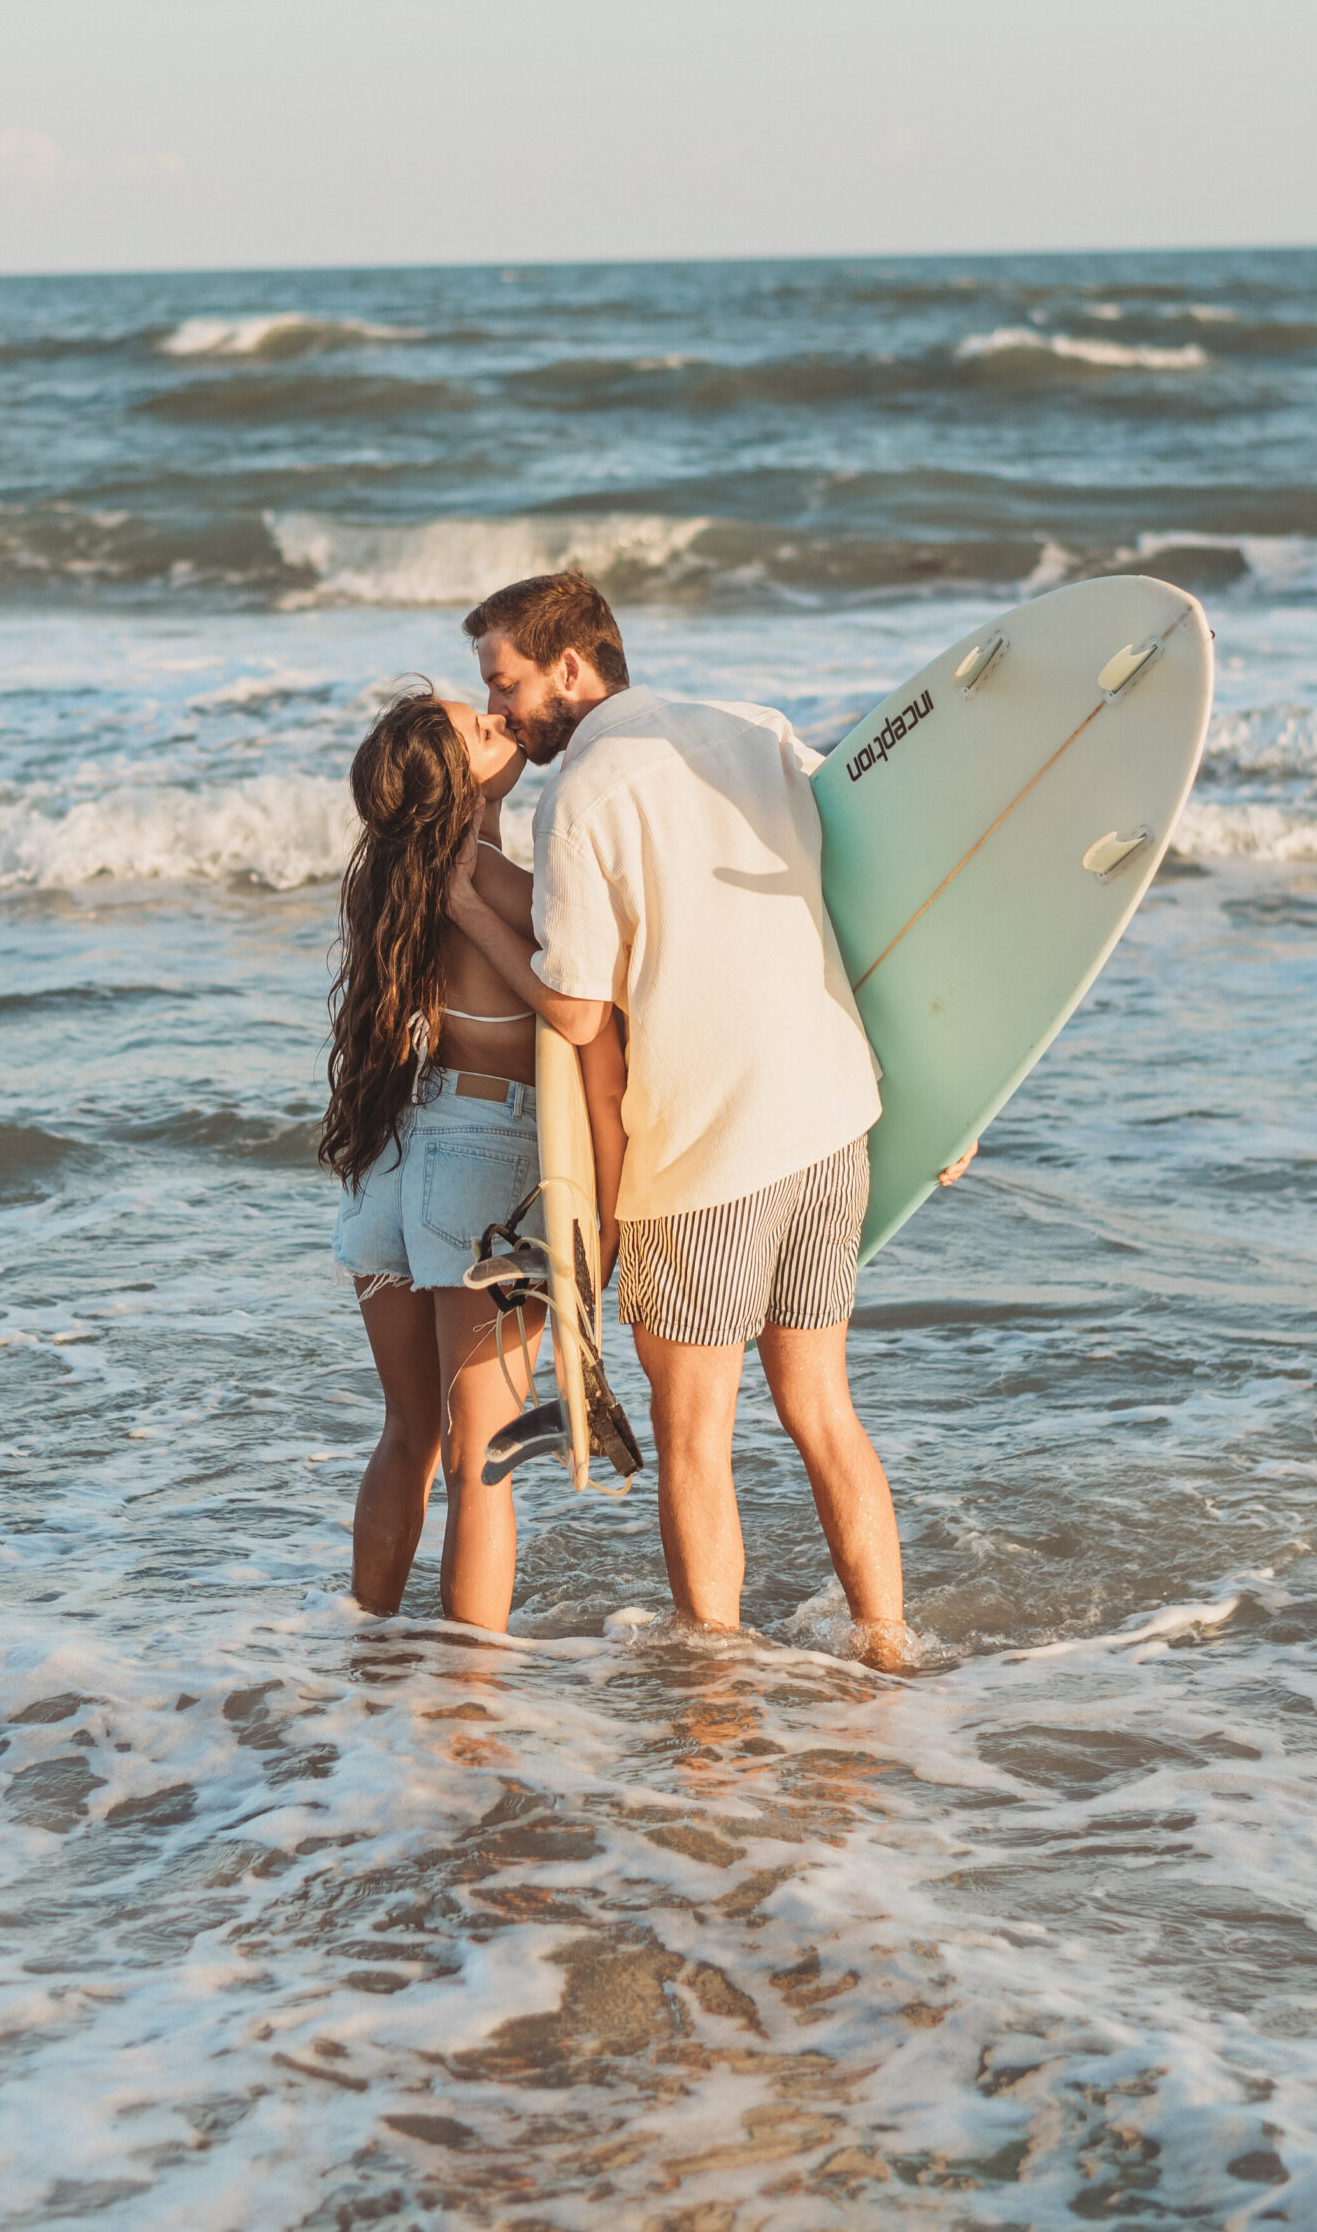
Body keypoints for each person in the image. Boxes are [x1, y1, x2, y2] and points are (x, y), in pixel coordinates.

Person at [445, 571, 960, 1673]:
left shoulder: (580, 790)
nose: (499, 712)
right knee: (822, 1405)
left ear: (571, 667)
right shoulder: (754, 727)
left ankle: (714, 1681)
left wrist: (469, 918)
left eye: (507, 683)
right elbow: (877, 893)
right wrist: (951, 1094)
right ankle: (888, 1643)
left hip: (705, 1150)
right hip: (831, 1121)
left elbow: (577, 1006)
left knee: (694, 1438)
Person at [321, 683, 625, 1633]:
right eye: (479, 729)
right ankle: (470, 1693)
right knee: (483, 1458)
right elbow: (594, 989)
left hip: (398, 1152)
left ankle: (362, 1645)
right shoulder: (489, 875)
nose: (502, 725)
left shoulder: (388, 875)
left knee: (409, 1433)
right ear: (454, 784)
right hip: (483, 1157)